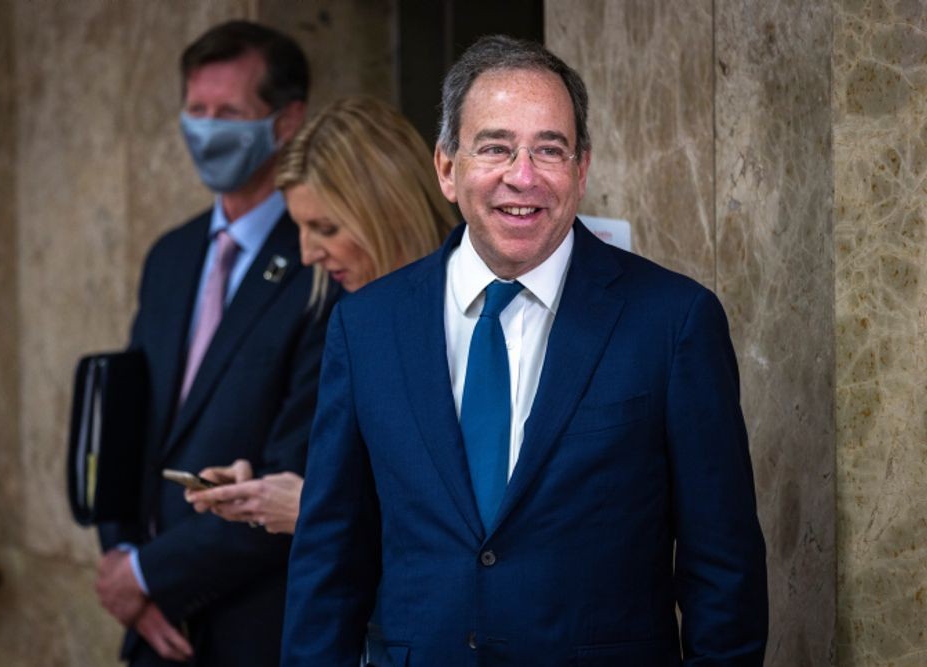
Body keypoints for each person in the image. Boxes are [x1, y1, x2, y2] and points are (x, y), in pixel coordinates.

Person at [281, 35, 769, 666]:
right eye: (495, 148)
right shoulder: (366, 326)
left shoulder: (672, 321)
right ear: (446, 168)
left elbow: (723, 569)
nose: (524, 176)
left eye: (550, 149)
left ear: (581, 170)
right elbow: (329, 560)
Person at [93, 21, 327, 666]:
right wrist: (123, 558)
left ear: (287, 120)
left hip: (258, 628)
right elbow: (131, 424)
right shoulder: (170, 255)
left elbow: (299, 473)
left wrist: (149, 576)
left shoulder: (323, 261)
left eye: (228, 113)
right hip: (158, 631)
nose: (206, 128)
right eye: (196, 110)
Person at [184, 95, 457, 535]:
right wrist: (266, 490)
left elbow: (465, 529)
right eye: (300, 228)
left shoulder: (473, 311)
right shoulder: (353, 321)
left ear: (388, 209)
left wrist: (313, 510)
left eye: (326, 228)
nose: (308, 254)